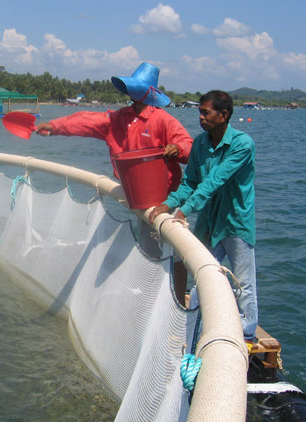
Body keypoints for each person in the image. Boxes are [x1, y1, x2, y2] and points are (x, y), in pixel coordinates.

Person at [35, 62, 192, 303]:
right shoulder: (119, 118)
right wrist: (54, 126)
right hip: (138, 196)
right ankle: (154, 297)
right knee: (151, 248)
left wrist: (177, 148)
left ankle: (177, 298)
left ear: (148, 92)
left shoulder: (163, 120)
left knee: (175, 247)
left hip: (166, 196)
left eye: (136, 87)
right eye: (131, 87)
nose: (132, 92)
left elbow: (188, 146)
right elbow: (86, 121)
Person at [149, 90, 258, 344]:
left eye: (205, 112)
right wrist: (168, 204)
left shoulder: (242, 144)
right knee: (200, 279)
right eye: (199, 111)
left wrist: (184, 211)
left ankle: (248, 335)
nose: (200, 117)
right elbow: (190, 183)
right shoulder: (199, 143)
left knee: (244, 284)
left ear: (224, 115)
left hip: (235, 223)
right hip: (208, 222)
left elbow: (215, 181)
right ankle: (195, 332)